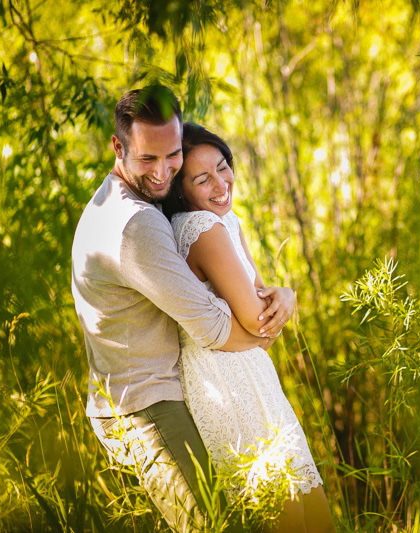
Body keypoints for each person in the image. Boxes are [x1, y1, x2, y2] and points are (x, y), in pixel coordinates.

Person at [71, 85, 275, 532]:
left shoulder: (118, 199)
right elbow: (211, 325)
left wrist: (285, 295)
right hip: (147, 408)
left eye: (173, 155)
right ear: (118, 147)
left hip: (147, 397)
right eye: (148, 159)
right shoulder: (135, 224)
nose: (163, 171)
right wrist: (261, 334)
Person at [161, 123, 336, 533]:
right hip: (229, 384)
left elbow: (264, 305)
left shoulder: (226, 222)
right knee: (289, 519)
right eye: (203, 178)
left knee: (316, 519)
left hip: (252, 376)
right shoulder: (200, 228)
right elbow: (261, 320)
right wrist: (275, 309)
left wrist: (286, 295)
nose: (221, 183)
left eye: (223, 168)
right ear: (181, 190)